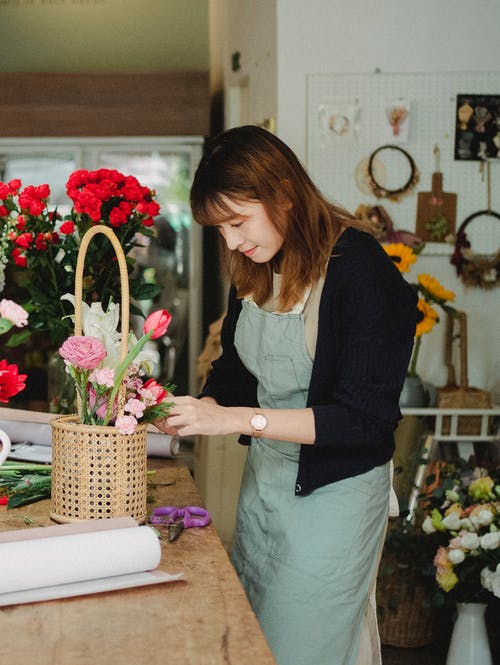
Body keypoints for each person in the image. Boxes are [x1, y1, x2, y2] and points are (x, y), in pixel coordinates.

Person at [155, 125, 421, 665]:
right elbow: (235, 367)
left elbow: (364, 420)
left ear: (283, 191)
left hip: (335, 499)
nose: (231, 242)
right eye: (220, 229)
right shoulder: (259, 262)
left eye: (237, 222)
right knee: (258, 640)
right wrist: (192, 410)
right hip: (268, 489)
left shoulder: (360, 270)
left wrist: (232, 420)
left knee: (306, 648)